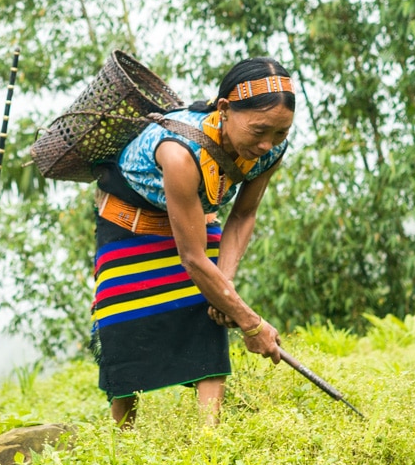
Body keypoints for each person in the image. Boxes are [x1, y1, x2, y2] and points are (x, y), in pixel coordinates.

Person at [91, 58, 296, 425]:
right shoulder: (180, 153)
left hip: (196, 219)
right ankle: (120, 445)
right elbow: (192, 258)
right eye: (260, 130)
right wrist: (252, 324)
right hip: (129, 223)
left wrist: (225, 287)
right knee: (126, 334)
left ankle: (208, 445)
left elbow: (244, 215)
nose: (267, 144)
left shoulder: (270, 150)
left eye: (280, 134)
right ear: (225, 109)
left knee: (209, 320)